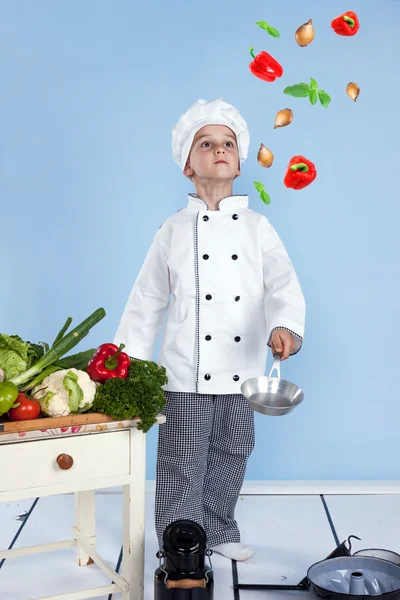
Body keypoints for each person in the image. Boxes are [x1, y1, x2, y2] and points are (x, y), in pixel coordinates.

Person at [113, 98, 306, 562]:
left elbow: (284, 282)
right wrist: (129, 364)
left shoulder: (259, 228)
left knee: (232, 451)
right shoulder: (174, 230)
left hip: (245, 373)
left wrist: (286, 324)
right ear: (187, 164)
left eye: (227, 143)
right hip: (185, 373)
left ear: (239, 161)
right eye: (206, 143)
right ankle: (179, 543)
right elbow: (147, 299)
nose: (218, 149)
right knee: (182, 461)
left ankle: (217, 529)